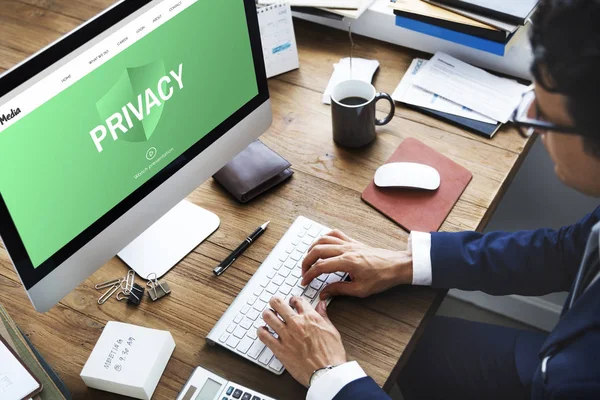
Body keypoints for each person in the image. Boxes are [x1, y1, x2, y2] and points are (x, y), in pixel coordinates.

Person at [256, 0, 600, 399]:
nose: (535, 131)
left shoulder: (582, 382)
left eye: (543, 117)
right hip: (552, 360)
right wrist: (406, 262)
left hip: (558, 376)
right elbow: (567, 252)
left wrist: (330, 374)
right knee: (416, 350)